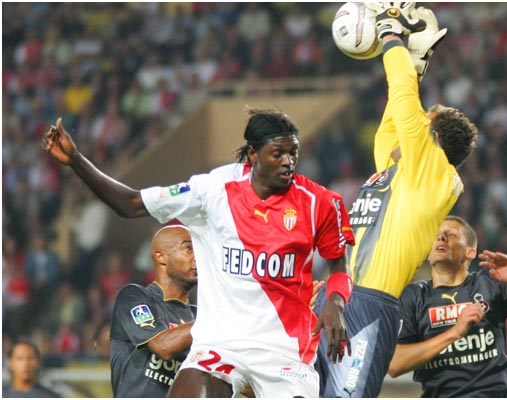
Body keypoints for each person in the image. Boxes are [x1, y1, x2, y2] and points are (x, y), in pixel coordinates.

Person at [41, 107, 355, 398]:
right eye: (278, 153)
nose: (288, 161)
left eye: (293, 152)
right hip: (221, 344)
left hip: (285, 350)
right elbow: (131, 204)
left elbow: (339, 267)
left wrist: (336, 304)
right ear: (253, 154)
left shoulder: (321, 203)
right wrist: (76, 161)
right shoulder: (213, 190)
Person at [313, 4, 478, 398]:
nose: (412, 124)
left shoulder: (434, 175)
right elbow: (392, 120)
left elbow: (403, 97)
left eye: (423, 122)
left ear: (433, 140)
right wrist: (415, 64)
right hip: (338, 296)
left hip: (371, 306)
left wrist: (390, 34)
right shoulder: (396, 173)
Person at [388, 215, 507, 397]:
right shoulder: (413, 296)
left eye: (451, 234)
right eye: (436, 235)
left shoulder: (490, 283)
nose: (441, 237)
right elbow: (395, 365)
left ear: (470, 252)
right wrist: (455, 333)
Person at [110, 224, 197, 397]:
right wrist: (215, 319)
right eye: (188, 249)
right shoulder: (134, 297)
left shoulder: (198, 316)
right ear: (161, 257)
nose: (198, 258)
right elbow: (162, 346)